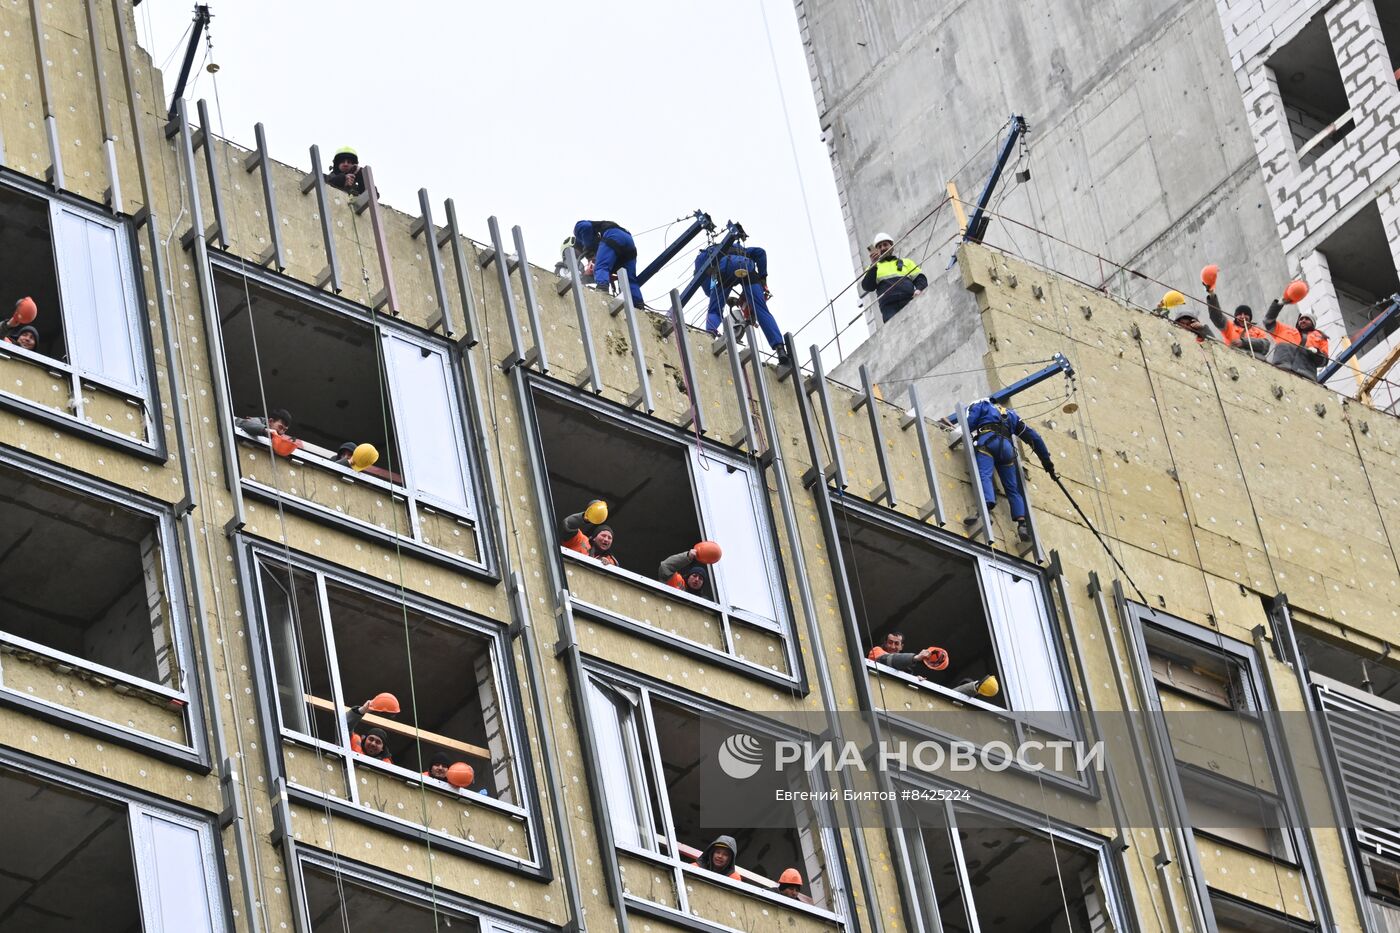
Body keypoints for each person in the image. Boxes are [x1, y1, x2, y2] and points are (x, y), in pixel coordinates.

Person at [946, 399, 1055, 542]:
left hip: (988, 443)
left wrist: (955, 432)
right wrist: (1047, 463)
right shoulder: (1011, 414)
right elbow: (1033, 438)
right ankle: (1022, 523)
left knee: (984, 475)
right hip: (1007, 450)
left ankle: (985, 509)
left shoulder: (981, 405)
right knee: (1012, 488)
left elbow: (969, 424)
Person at [695, 241, 789, 366]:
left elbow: (709, 289)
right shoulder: (739, 247)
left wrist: (721, 295)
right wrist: (762, 279)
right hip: (746, 266)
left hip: (724, 269)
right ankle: (780, 349)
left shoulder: (704, 256)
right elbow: (760, 253)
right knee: (761, 310)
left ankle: (710, 335)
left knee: (715, 310)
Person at [570, 221, 645, 308]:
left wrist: (589, 251)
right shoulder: (601, 245)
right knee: (629, 280)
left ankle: (602, 289)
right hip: (629, 241)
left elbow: (585, 226)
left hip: (614, 235)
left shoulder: (579, 230)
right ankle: (638, 304)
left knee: (601, 266)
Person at [860, 232, 927, 321]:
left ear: (892, 246)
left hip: (909, 299)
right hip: (889, 307)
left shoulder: (906, 262)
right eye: (879, 247)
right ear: (876, 251)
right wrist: (874, 265)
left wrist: (918, 289)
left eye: (885, 245)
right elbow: (868, 286)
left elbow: (920, 279)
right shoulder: (872, 268)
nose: (883, 248)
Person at [1263, 296, 1329, 381]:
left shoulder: (1321, 337)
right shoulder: (1286, 330)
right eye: (1301, 319)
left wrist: (1316, 353)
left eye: (1307, 319)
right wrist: (1279, 304)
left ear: (1313, 323)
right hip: (1281, 369)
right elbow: (1268, 322)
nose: (1303, 320)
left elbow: (1324, 361)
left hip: (1306, 377)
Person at [1206, 292, 1272, 359]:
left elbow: (1265, 346)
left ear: (1250, 317)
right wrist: (1212, 295)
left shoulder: (1258, 330)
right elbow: (1217, 317)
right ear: (1235, 317)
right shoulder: (1229, 326)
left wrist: (1244, 342)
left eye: (1246, 314)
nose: (1243, 316)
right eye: (1239, 314)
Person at [561, 501, 618, 566]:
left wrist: (604, 565)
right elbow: (568, 524)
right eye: (603, 535)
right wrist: (585, 517)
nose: (606, 539)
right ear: (594, 538)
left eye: (609, 538)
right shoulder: (580, 540)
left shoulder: (610, 560)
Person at [866, 632, 948, 677]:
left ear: (901, 647)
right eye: (890, 642)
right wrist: (915, 658)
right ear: (885, 643)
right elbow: (884, 659)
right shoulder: (877, 650)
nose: (892, 646)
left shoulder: (906, 667)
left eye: (896, 643)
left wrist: (915, 679)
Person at [346, 700, 393, 764]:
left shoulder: (387, 765)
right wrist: (362, 710)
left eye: (378, 742)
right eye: (371, 739)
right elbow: (343, 726)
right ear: (364, 739)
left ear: (382, 748)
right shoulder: (352, 741)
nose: (373, 744)